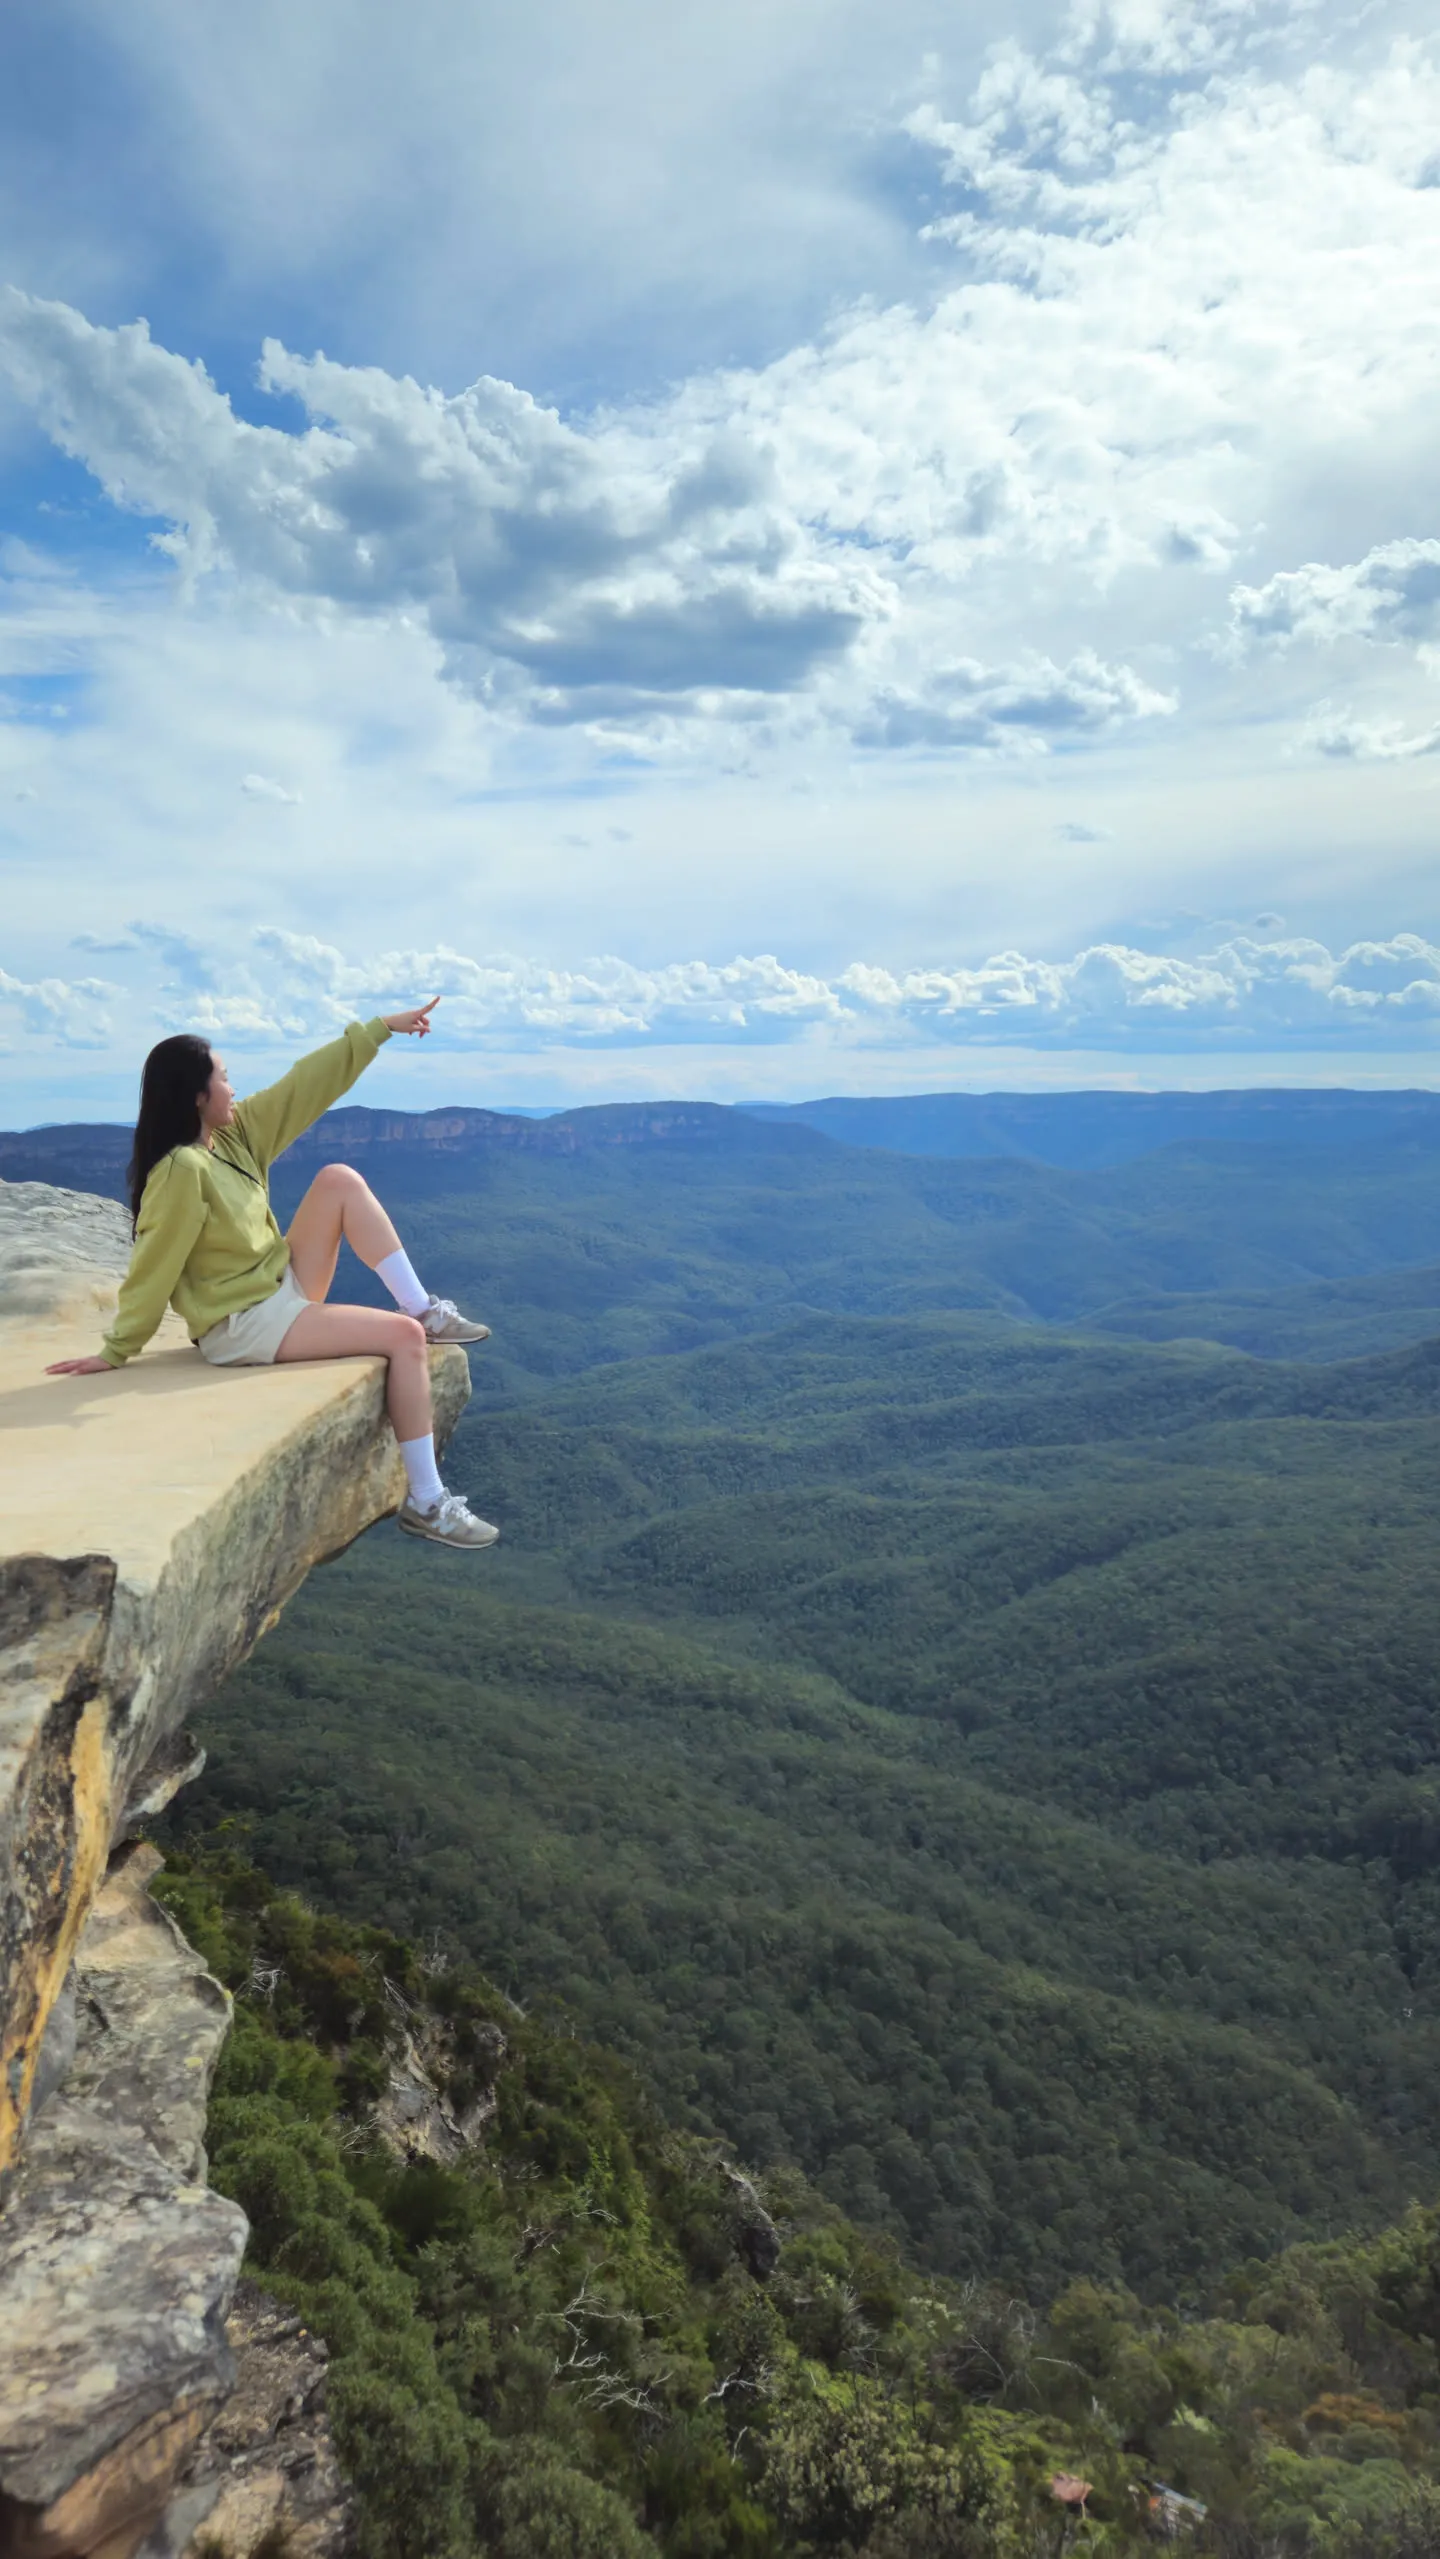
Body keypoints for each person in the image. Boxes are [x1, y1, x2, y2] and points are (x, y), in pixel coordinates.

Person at [44, 997, 498, 1551]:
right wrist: (117, 1349)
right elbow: (153, 1264)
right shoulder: (182, 1171)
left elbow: (305, 1085)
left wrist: (380, 1030)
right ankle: (428, 1503)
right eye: (224, 1079)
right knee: (402, 1342)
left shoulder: (231, 1140)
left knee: (338, 1179)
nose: (233, 1088)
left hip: (278, 1287)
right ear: (197, 1097)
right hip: (243, 1324)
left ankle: (423, 1307)